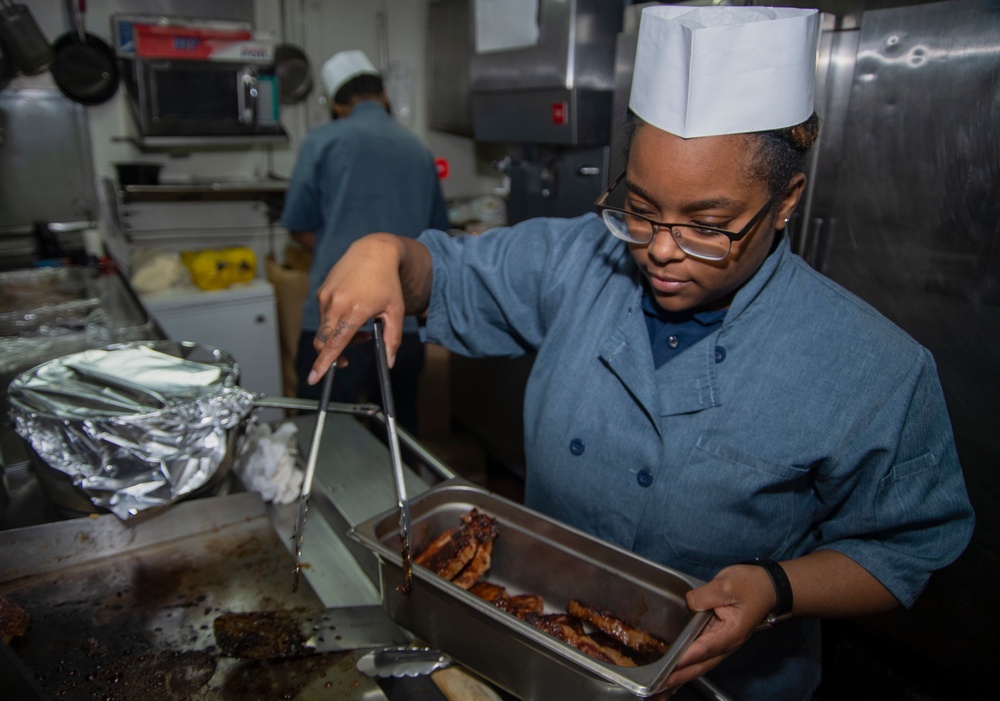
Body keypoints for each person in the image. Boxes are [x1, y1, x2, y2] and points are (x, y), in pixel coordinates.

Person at [302, 7, 975, 700]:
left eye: (708, 226)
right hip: (545, 656)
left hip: (726, 687)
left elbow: (902, 548)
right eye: (642, 207)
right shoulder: (581, 261)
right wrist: (384, 252)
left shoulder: (872, 365)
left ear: (785, 201)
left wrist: (776, 587)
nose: (658, 248)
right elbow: (441, 274)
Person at [280, 49, 449, 433]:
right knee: (396, 434)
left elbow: (299, 223)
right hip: (400, 324)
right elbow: (437, 236)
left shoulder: (322, 141)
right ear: (383, 96)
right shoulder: (417, 148)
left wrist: (344, 260)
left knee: (325, 435)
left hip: (337, 322)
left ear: (338, 104)